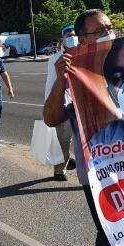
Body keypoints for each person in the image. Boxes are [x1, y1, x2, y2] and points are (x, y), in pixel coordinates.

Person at [44, 9, 124, 246]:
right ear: (83, 38)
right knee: (117, 228)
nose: (108, 34)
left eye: (110, 28)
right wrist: (61, 79)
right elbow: (52, 118)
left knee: (117, 225)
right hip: (97, 170)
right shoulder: (73, 72)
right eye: (100, 30)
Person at [44, 25, 79, 181]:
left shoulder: (85, 55)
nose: (72, 38)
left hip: (82, 103)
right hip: (64, 103)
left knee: (83, 139)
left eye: (75, 35)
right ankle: (60, 170)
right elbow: (51, 84)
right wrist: (49, 107)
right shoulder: (56, 59)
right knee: (64, 138)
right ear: (62, 40)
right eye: (69, 35)